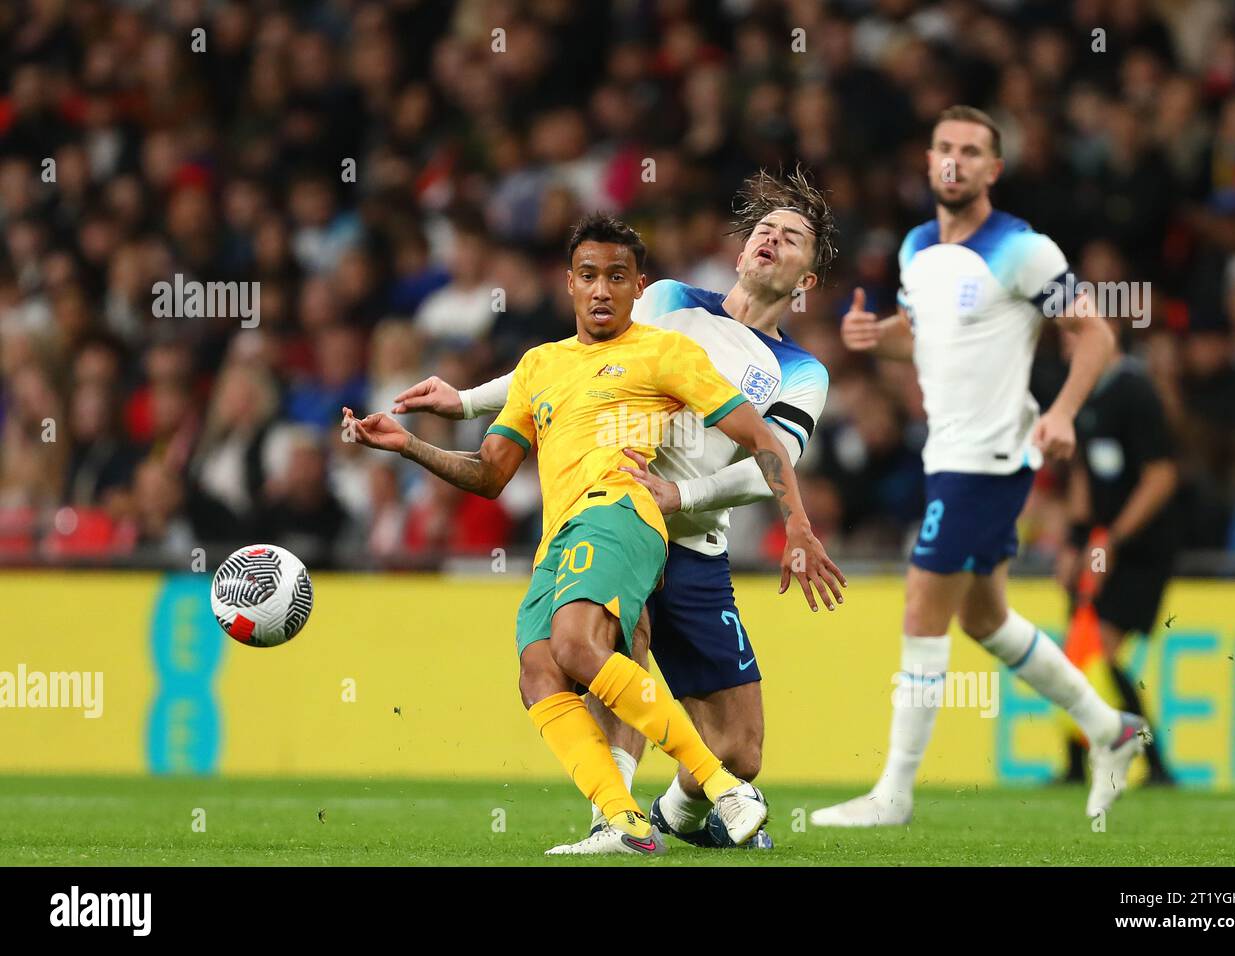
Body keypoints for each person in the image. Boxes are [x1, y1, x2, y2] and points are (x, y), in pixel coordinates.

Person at [345, 213, 844, 856]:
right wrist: (467, 403)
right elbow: (574, 368)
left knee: (741, 749)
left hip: (693, 539)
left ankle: (679, 811)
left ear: (807, 277)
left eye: (791, 236)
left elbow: (771, 456)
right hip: (618, 514)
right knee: (604, 643)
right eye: (763, 227)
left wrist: (693, 497)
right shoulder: (670, 301)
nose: (769, 238)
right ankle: (614, 815)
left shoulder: (799, 369)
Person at [816, 105, 1146, 827]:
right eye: (943, 148)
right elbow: (925, 334)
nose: (954, 161)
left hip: (992, 456)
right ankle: (1110, 729)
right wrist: (877, 335)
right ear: (928, 159)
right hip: (948, 453)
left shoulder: (1022, 249)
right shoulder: (913, 247)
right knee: (986, 618)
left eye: (971, 151)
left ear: (994, 169)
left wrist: (1060, 413)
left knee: (921, 606)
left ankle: (894, 795)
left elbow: (1096, 335)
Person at [1056, 320, 1180, 785]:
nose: (1065, 343)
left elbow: (1162, 476)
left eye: (1073, 333)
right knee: (1081, 651)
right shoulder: (1085, 392)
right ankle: (1077, 764)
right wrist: (1074, 540)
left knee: (1099, 649)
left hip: (1141, 546)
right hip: (1100, 542)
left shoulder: (1136, 392)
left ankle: (1154, 761)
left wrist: (1111, 540)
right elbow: (1084, 475)